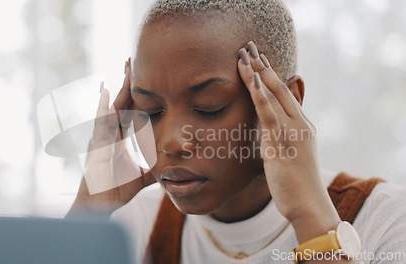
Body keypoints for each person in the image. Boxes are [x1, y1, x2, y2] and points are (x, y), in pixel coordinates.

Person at [68, 0, 406, 263]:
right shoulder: (135, 228)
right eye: (151, 111)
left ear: (289, 101)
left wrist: (311, 220)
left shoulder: (386, 222)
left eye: (209, 107)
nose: (171, 141)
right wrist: (86, 212)